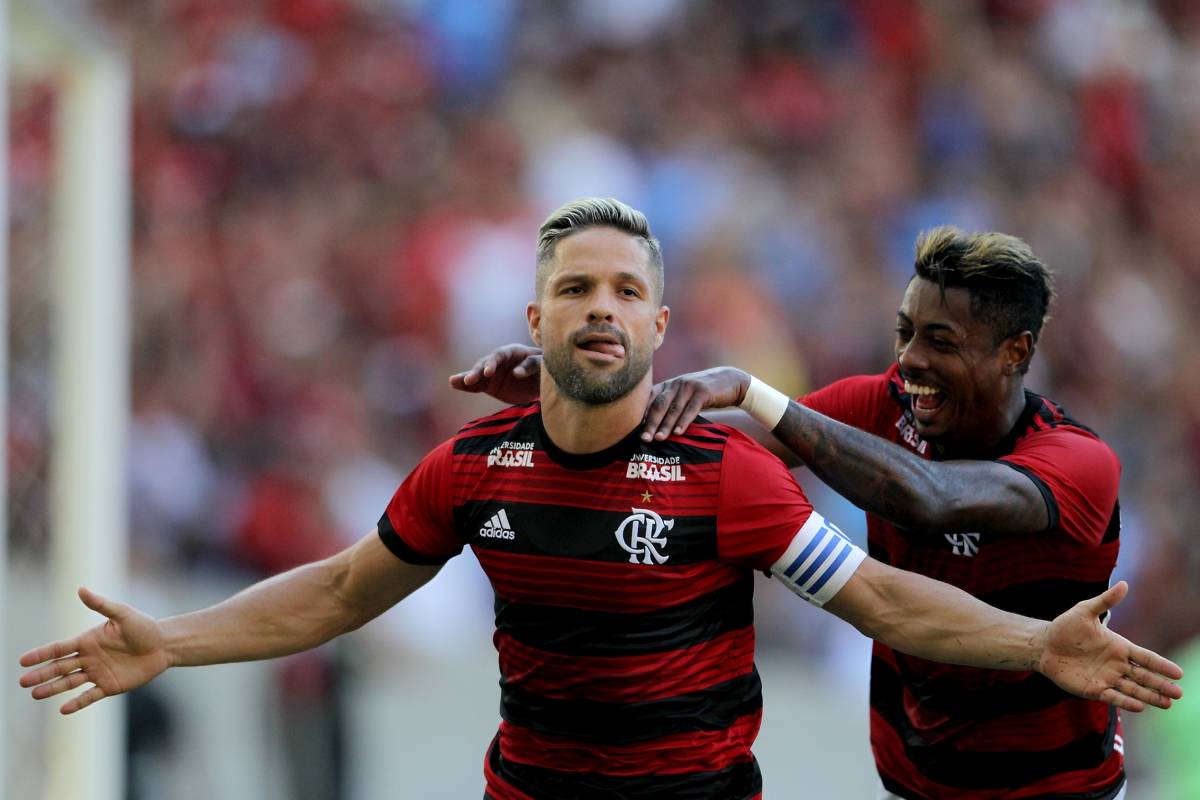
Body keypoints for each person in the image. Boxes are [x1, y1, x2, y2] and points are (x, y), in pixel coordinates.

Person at [22, 202, 1181, 800]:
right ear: (533, 319)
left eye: (628, 290)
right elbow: (335, 589)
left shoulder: (729, 473)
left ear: (661, 328)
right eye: (575, 287)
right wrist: (167, 639)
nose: (602, 307)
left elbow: (883, 590)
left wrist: (1040, 641)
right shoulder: (474, 467)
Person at [455, 226, 1161, 799]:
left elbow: (932, 497)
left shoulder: (1078, 463)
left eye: (941, 342)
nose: (910, 361)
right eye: (905, 331)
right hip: (914, 781)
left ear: (1015, 352)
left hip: (1060, 788)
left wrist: (759, 393)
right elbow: (693, 462)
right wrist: (569, 391)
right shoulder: (882, 407)